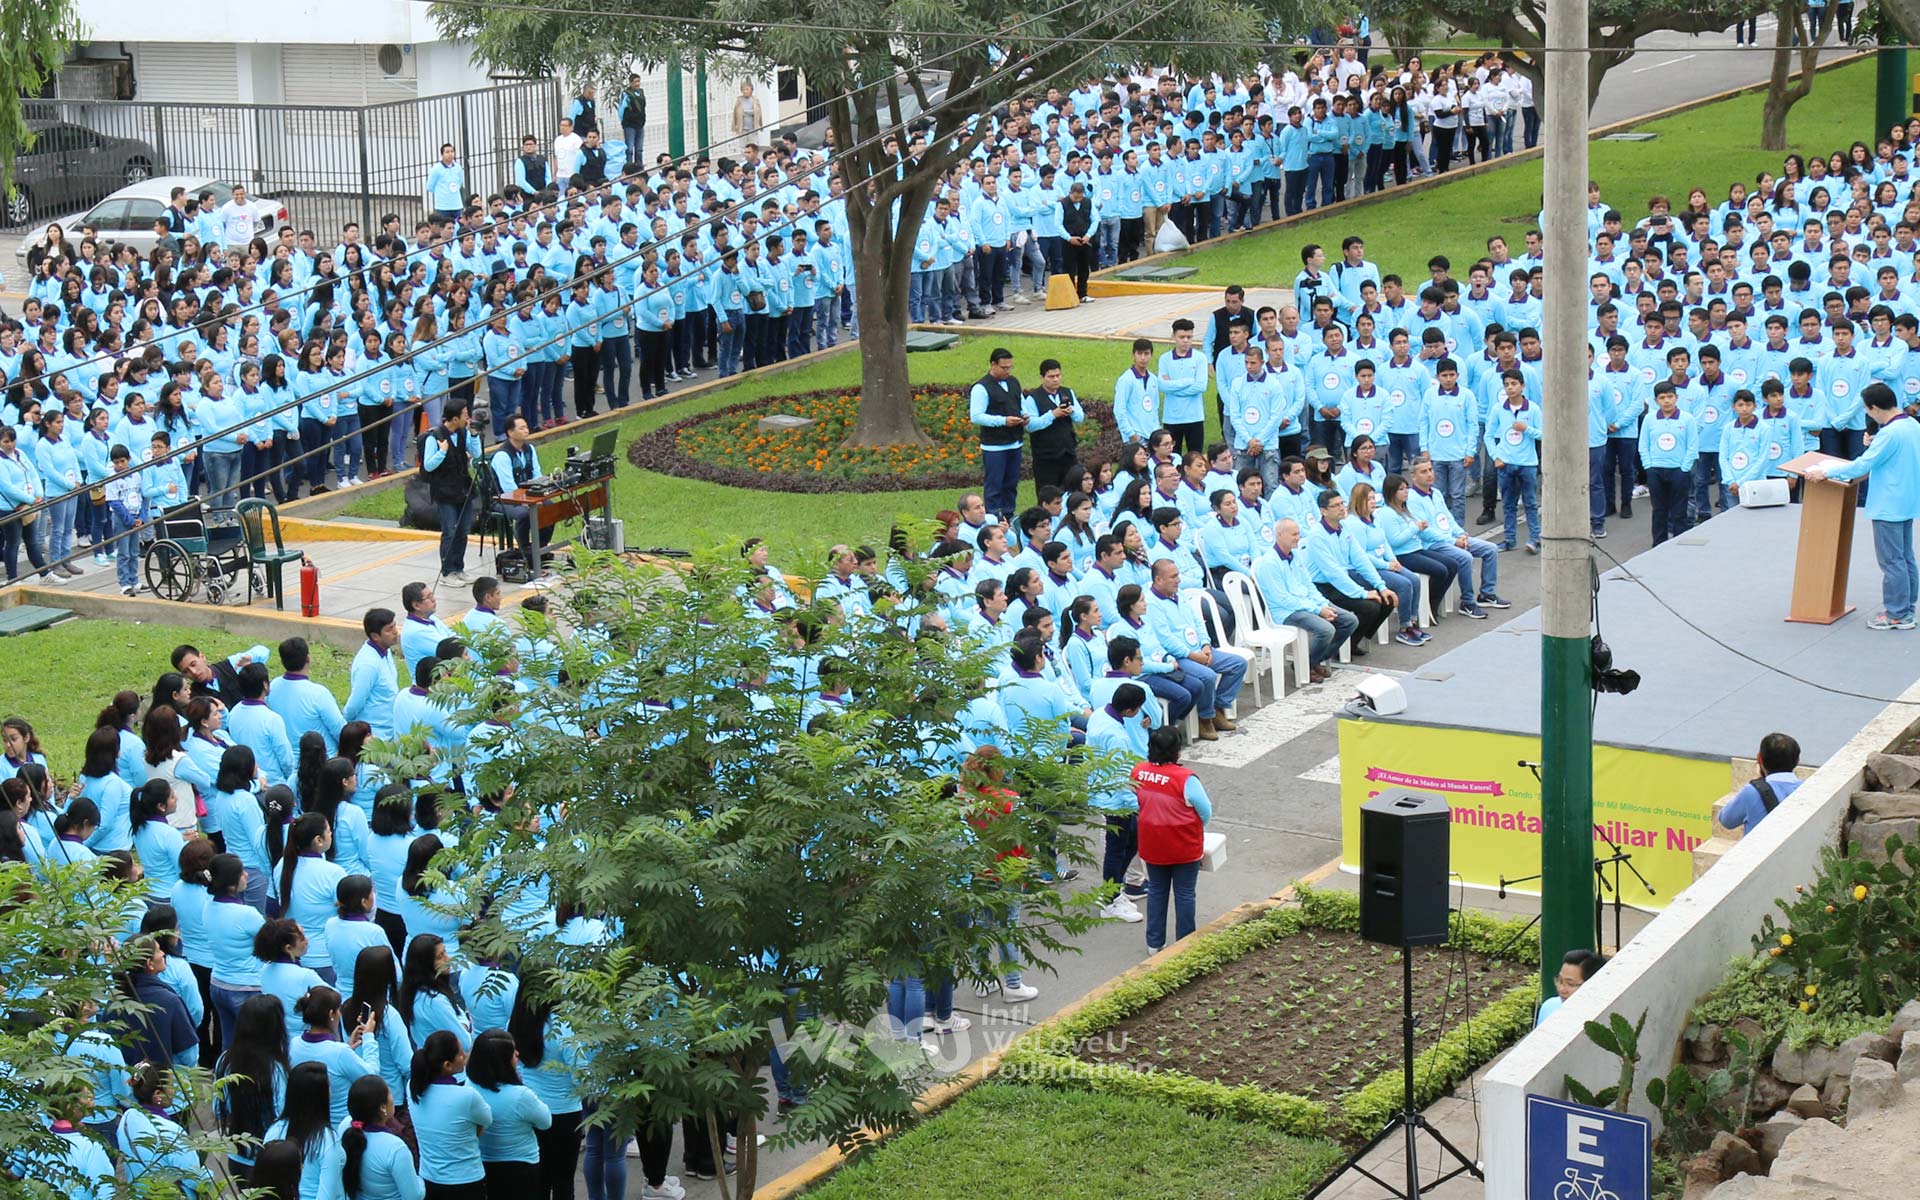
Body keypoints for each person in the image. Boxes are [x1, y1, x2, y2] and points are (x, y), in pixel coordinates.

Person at [1807, 383, 1920, 629]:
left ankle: (1896, 614)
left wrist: (1826, 471)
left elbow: (1861, 465)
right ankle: (1907, 608)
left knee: (1892, 561)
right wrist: (1876, 442)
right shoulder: (1911, 424)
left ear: (1875, 408)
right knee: (1905, 557)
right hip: (1906, 499)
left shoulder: (1889, 434)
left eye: (1867, 410)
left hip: (1888, 503)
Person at [1132, 725, 1211, 953]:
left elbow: (1137, 800)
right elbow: (1205, 811)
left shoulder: (1138, 772)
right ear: (1177, 751)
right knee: (1185, 893)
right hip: (1184, 845)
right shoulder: (1186, 779)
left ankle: (1154, 943)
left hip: (1152, 844)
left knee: (1157, 890)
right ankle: (1185, 945)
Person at [1251, 518, 1355, 683]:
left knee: (1349, 620)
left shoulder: (1296, 555)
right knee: (1326, 630)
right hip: (1286, 611)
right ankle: (1306, 665)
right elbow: (1283, 599)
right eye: (1293, 534)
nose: (1298, 538)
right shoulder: (1269, 563)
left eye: (1298, 533)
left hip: (1307, 603)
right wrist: (1317, 610)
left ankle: (1313, 660)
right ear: (1279, 535)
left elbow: (1308, 585)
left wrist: (1322, 604)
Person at [467, 1027, 553, 1193]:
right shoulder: (521, 1096)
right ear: (502, 1062)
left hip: (483, 1162)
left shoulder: (469, 1086)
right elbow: (545, 1121)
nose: (517, 1054)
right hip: (520, 1166)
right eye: (513, 1052)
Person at [969, 347, 1034, 522]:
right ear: (993, 365)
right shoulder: (981, 388)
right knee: (994, 485)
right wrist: (1002, 421)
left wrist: (1024, 415)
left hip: (1015, 442)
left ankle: (1009, 516)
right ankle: (994, 518)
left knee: (1011, 483)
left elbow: (1020, 403)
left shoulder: (1013, 382)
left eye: (1010, 367)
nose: (1008, 371)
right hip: (994, 446)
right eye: (1004, 368)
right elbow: (976, 416)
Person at [420, 399, 482, 584]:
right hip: (445, 492)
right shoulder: (434, 437)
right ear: (455, 418)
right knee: (450, 531)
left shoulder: (463, 432)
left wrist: (473, 435)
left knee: (463, 531)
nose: (468, 418)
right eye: (465, 415)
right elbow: (428, 465)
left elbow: (476, 454)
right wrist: (442, 452)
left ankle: (459, 568)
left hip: (463, 489)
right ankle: (447, 572)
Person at [1718, 731, 1804, 837]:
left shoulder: (1752, 792)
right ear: (1797, 760)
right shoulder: (1807, 789)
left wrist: (1757, 783)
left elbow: (1726, 820)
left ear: (1759, 759)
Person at [1536, 948, 1606, 1025]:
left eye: (1570, 984)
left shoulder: (1603, 1016)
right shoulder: (1549, 1007)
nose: (1562, 989)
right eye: (1560, 981)